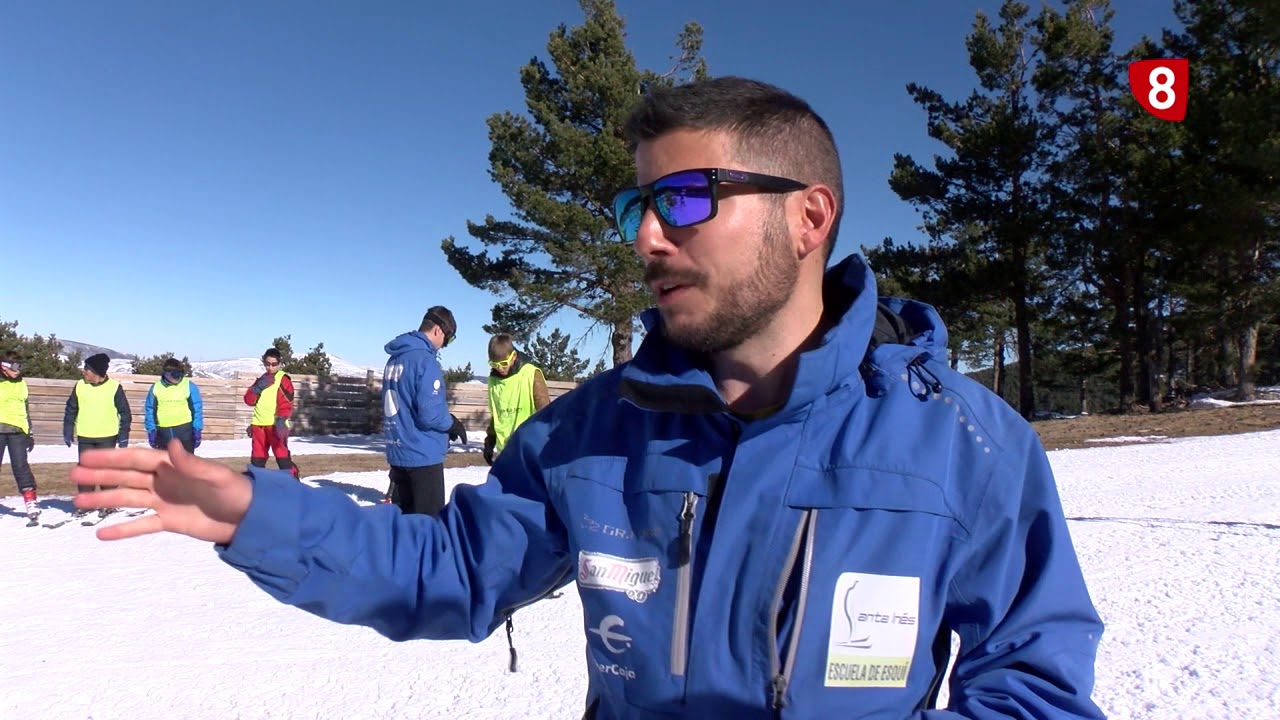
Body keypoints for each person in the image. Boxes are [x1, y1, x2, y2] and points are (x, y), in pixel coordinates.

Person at [73, 77, 1104, 719]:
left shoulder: (966, 444)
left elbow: (1030, 679)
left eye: (686, 198)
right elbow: (452, 569)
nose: (647, 237)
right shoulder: (591, 432)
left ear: (808, 217)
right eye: (635, 206)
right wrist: (260, 516)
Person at [379, 306, 456, 515]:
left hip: (398, 451)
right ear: (438, 330)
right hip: (423, 455)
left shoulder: (395, 359)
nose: (444, 346)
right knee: (428, 526)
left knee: (403, 525)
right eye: (448, 339)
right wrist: (452, 424)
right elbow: (430, 413)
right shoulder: (425, 360)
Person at [64, 352, 130, 519]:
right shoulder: (80, 386)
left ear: (97, 372)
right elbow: (71, 408)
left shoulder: (114, 387)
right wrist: (68, 428)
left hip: (107, 436)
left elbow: (125, 413)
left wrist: (123, 435)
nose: (84, 372)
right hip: (85, 435)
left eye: (87, 369)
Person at [482, 333, 550, 465]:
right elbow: (496, 415)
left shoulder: (531, 374)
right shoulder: (493, 380)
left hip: (529, 450)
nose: (499, 368)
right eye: (494, 364)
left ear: (513, 356)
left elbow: (546, 413)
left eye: (503, 363)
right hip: (505, 451)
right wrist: (490, 441)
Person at [243, 348, 298, 479]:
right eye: (267, 364)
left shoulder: (283, 379)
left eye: (273, 364)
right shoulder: (262, 379)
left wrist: (281, 420)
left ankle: (293, 481)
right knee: (257, 458)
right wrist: (256, 389)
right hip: (259, 425)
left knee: (282, 457)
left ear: (279, 364)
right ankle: (258, 485)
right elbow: (248, 401)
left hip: (276, 425)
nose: (270, 367)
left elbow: (286, 403)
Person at [0, 352, 40, 525]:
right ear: (4, 366)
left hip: (18, 431)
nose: (19, 370)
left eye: (21, 366)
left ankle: (30, 501)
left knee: (21, 466)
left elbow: (25, 409)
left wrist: (29, 433)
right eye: (15, 366)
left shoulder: (21, 384)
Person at [144, 358, 205, 454]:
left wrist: (197, 429)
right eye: (174, 374)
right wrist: (151, 430)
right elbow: (150, 410)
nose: (178, 377)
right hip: (163, 432)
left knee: (186, 464)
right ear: (166, 374)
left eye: (180, 374)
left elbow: (196, 408)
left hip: (185, 431)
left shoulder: (188, 386)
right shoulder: (156, 388)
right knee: (165, 464)